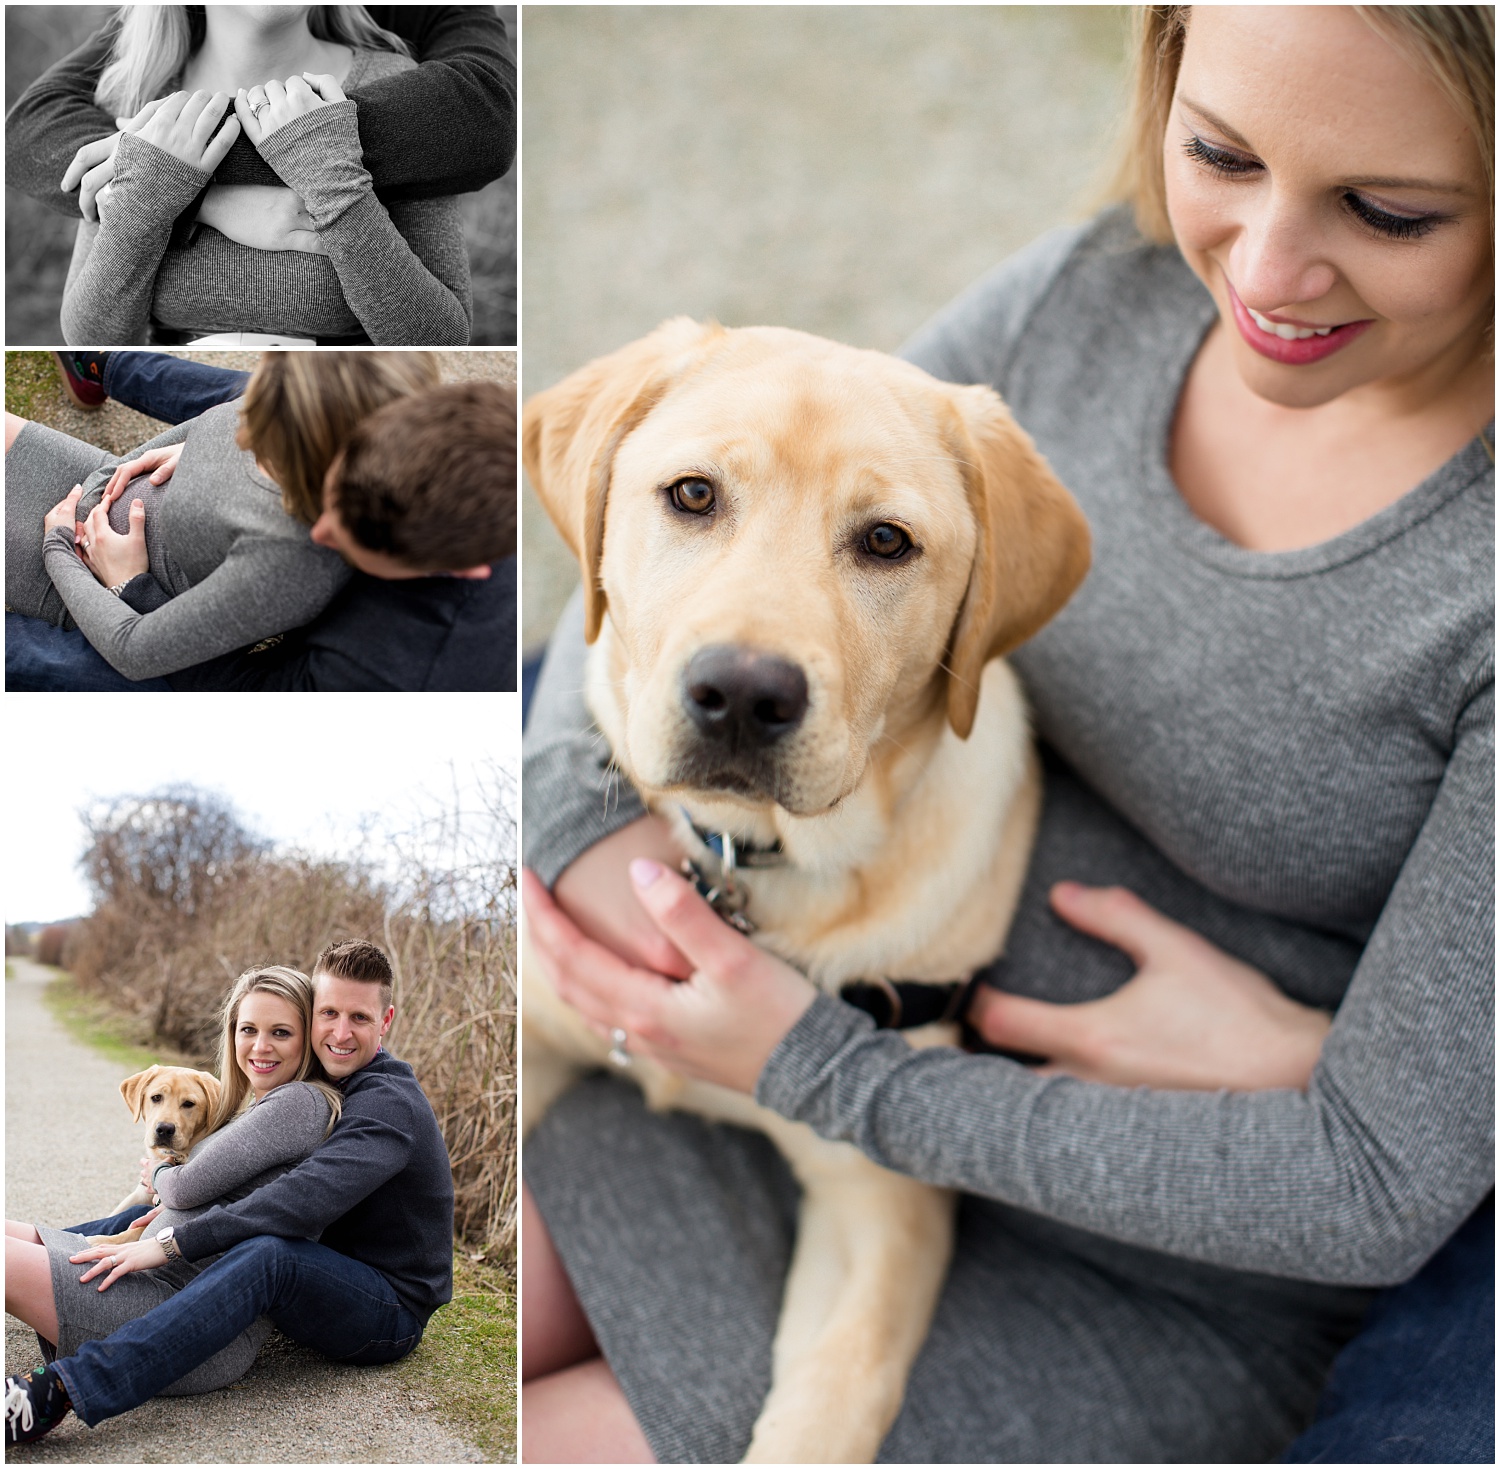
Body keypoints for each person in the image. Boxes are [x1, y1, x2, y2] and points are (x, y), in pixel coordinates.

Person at [519, 6, 1492, 1463]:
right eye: (1220, 151)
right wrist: (576, 833)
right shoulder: (1099, 293)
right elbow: (707, 514)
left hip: (1154, 1269)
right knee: (438, 1352)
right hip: (745, 1064)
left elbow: (1370, 1178)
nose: (1270, 269)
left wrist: (828, 1065)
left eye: (1390, 210)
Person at [5, 939, 455, 1448]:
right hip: (326, 1273)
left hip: (389, 1304)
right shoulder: (326, 1085)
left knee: (271, 1254)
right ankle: (38, 1245)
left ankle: (65, 1391)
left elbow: (300, 1200)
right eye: (328, 1013)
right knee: (190, 1222)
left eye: (360, 1017)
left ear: (386, 1020)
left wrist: (172, 1239)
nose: (341, 1032)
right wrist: (160, 1212)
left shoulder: (386, 1105)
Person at [7, 353, 518, 692]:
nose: (322, 534)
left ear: (470, 570)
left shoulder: (409, 661)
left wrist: (83, 561)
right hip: (98, 500)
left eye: (350, 536)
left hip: (87, 582)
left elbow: (198, 673)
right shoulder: (399, 437)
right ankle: (103, 361)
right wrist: (210, 445)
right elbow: (243, 413)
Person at [5, 5, 502, 346]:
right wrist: (154, 200)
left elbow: (439, 336)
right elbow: (91, 336)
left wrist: (336, 188)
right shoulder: (139, 98)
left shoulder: (397, 84)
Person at [5, 964, 343, 1409]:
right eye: (248, 1029)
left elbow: (183, 1189)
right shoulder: (260, 1106)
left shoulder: (299, 1103)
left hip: (176, 1314)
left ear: (310, 1037)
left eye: (281, 1032)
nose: (260, 1046)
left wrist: (159, 1180)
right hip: (150, 1281)